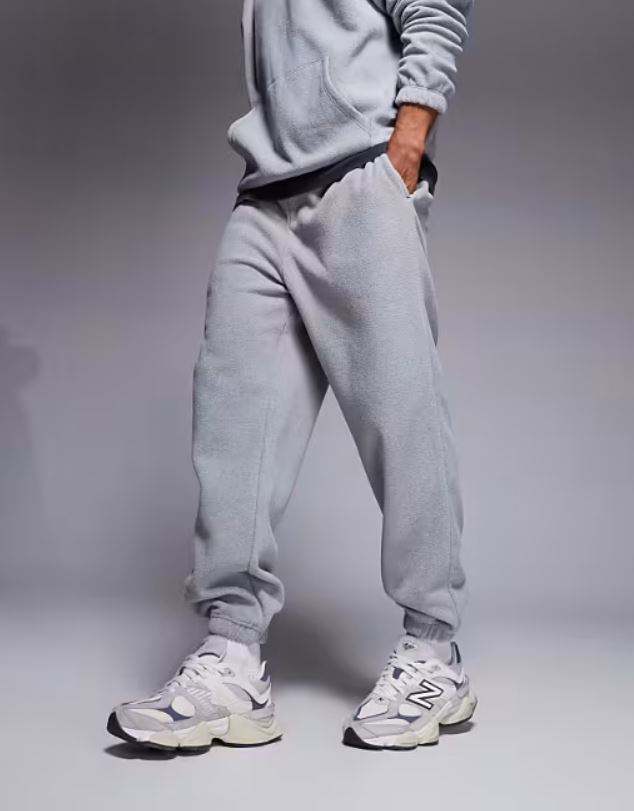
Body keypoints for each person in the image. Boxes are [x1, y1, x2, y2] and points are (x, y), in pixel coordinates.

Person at [108, 0, 476, 752]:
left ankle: (434, 652)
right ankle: (232, 659)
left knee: (400, 418)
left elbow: (436, 9)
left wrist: (407, 143)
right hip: (265, 189)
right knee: (232, 421)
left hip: (359, 170)